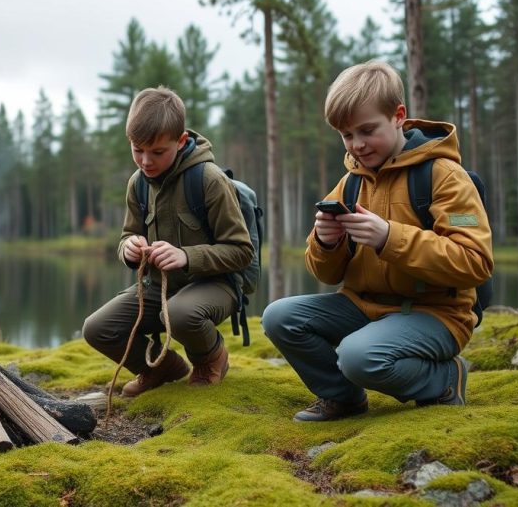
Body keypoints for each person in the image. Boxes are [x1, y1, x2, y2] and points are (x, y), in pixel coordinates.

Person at [261, 60, 493, 421]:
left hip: (436, 314)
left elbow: (474, 262)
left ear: (398, 115)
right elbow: (327, 272)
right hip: (362, 307)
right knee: (279, 316)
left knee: (357, 356)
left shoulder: (444, 175)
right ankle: (344, 398)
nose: (357, 145)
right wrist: (326, 242)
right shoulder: (351, 180)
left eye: (367, 130)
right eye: (346, 135)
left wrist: (389, 237)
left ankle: (446, 378)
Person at [82, 86, 254, 397]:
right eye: (137, 149)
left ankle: (210, 358)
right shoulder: (138, 184)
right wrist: (130, 249)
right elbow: (126, 236)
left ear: (181, 141)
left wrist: (187, 256)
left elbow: (241, 251)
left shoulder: (209, 180)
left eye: (157, 152)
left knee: (177, 313)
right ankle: (160, 368)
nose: (145, 161)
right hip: (160, 289)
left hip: (216, 286)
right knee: (97, 329)